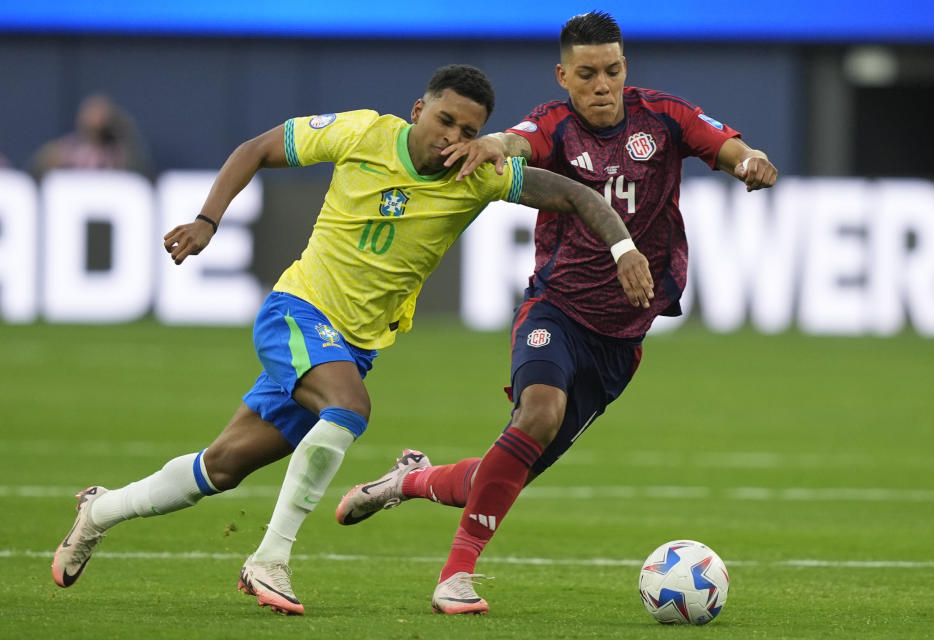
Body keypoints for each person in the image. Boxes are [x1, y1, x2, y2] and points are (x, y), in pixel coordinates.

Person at [50, 64, 655, 616]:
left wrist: (624, 247)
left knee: (222, 468)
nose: (450, 137)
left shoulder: (479, 177)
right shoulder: (362, 134)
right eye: (444, 120)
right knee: (349, 408)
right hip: (298, 311)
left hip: (353, 347)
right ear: (418, 110)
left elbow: (576, 196)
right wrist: (208, 220)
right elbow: (258, 148)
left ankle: (97, 512)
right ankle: (269, 559)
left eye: (467, 130)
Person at [335, 11, 778, 615]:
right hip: (556, 310)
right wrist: (490, 145)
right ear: (563, 76)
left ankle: (407, 479)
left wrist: (749, 159)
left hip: (621, 340)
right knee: (539, 414)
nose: (603, 85)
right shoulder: (555, 125)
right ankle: (456, 576)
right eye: (588, 73)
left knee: (499, 473)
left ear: (626, 69)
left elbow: (724, 144)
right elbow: (515, 143)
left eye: (613, 70)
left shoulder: (663, 116)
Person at [28, 93, 152, 179]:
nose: (95, 120)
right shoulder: (66, 150)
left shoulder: (120, 153)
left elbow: (140, 168)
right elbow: (36, 169)